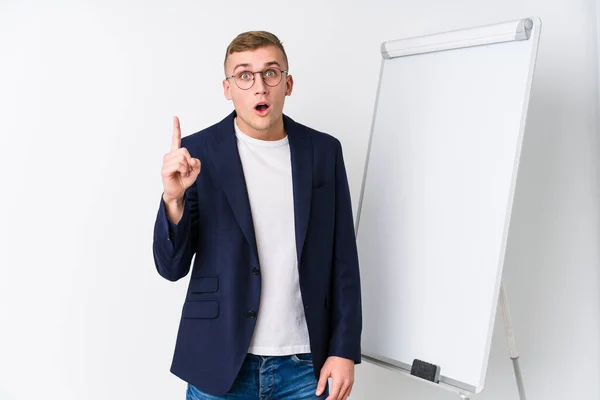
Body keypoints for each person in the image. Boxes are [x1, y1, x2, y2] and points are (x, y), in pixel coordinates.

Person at [152, 30, 362, 400]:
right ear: (228, 88)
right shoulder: (198, 153)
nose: (260, 87)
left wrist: (343, 349)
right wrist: (173, 198)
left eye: (271, 73)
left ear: (288, 83)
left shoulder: (324, 152)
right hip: (219, 363)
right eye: (245, 75)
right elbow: (171, 268)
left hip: (304, 366)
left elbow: (343, 258)